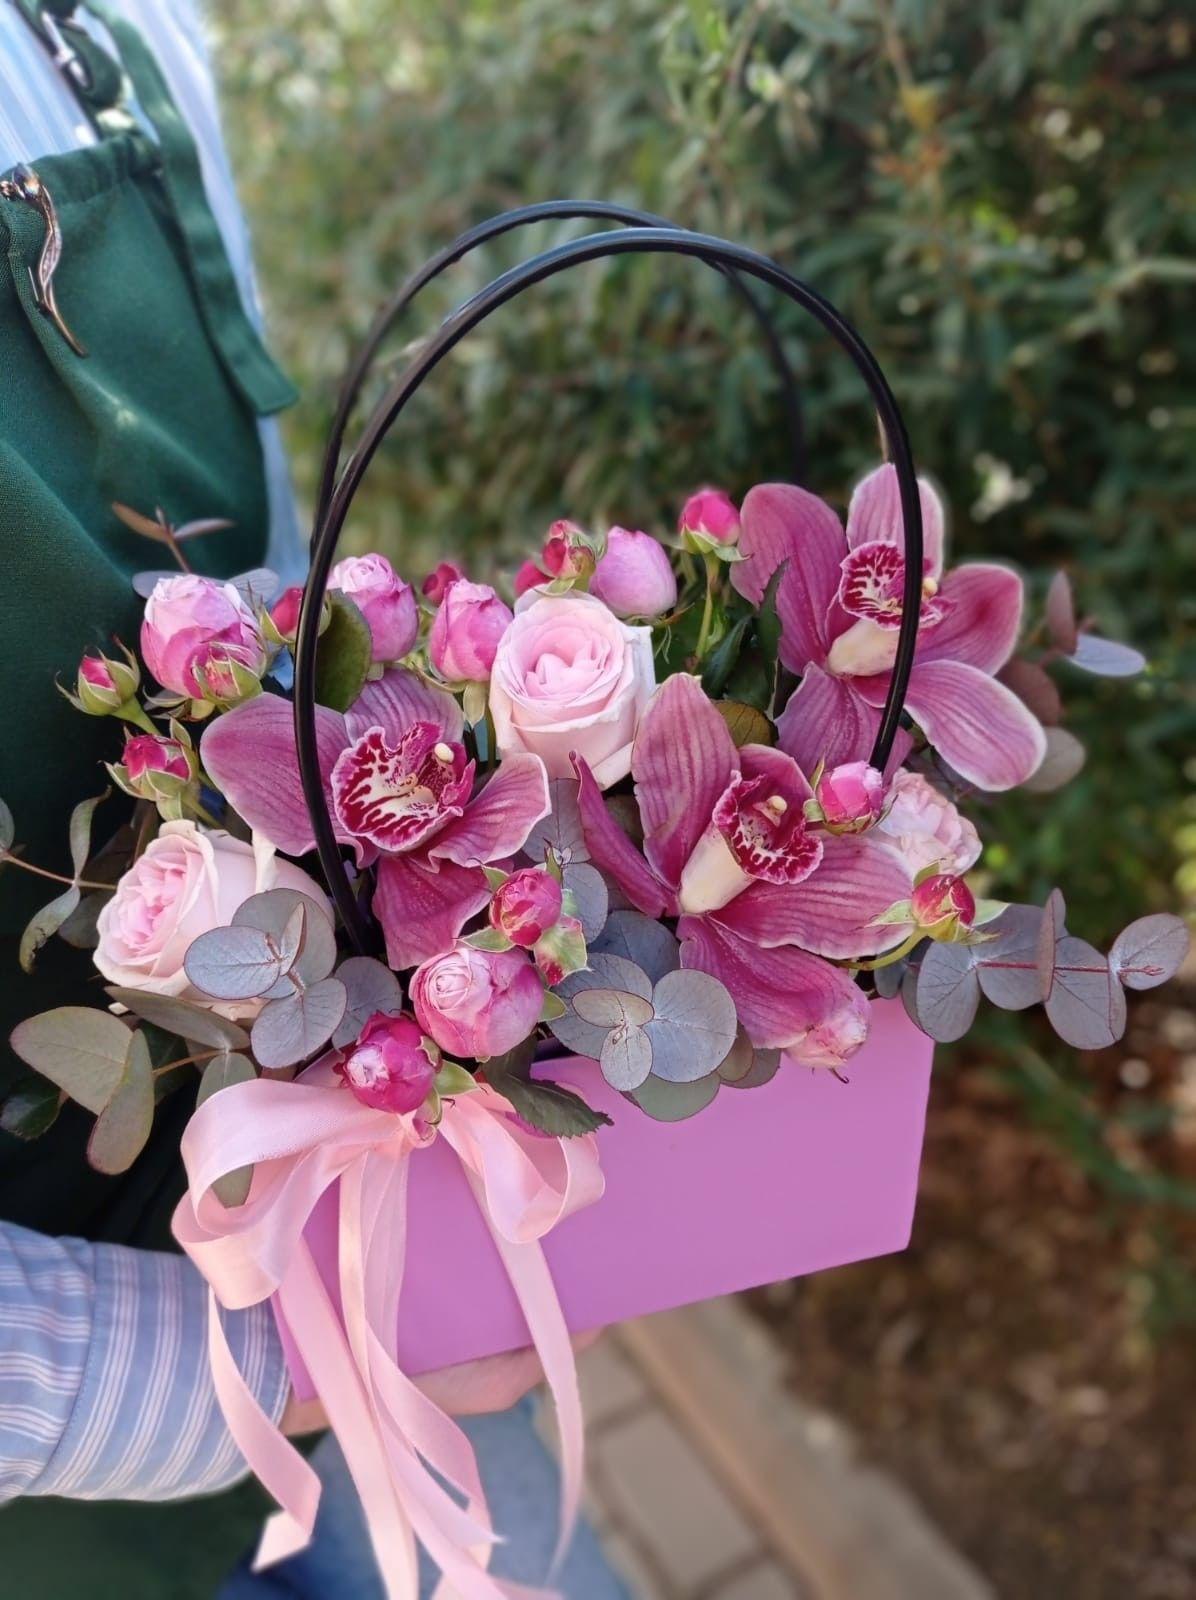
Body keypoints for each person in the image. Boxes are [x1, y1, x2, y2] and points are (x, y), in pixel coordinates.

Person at [0, 4, 628, 1594]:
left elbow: (266, 561)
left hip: (374, 1194)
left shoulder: (107, 29)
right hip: (93, 1457)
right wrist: (278, 1364)